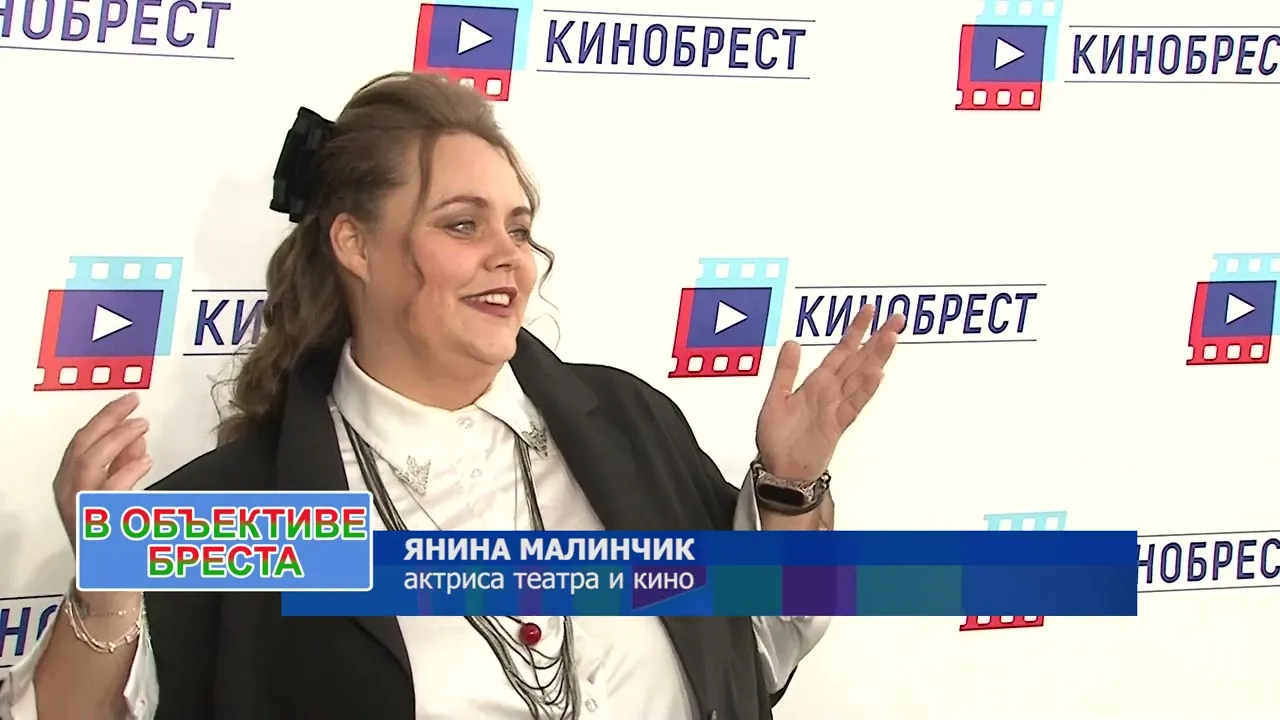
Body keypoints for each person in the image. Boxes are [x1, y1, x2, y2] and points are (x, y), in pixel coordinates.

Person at [0, 71, 904, 720]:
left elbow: (757, 649)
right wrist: (108, 592)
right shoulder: (240, 510)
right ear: (355, 245)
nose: (509, 257)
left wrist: (790, 488)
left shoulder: (631, 425)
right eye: (463, 225)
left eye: (518, 227)